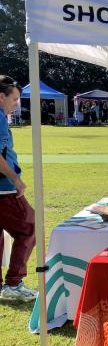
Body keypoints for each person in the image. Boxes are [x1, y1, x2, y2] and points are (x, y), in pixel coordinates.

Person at [0, 75, 37, 301]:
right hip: (4, 187)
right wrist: (15, 178)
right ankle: (13, 284)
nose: (16, 104)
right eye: (14, 99)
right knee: (29, 227)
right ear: (1, 96)